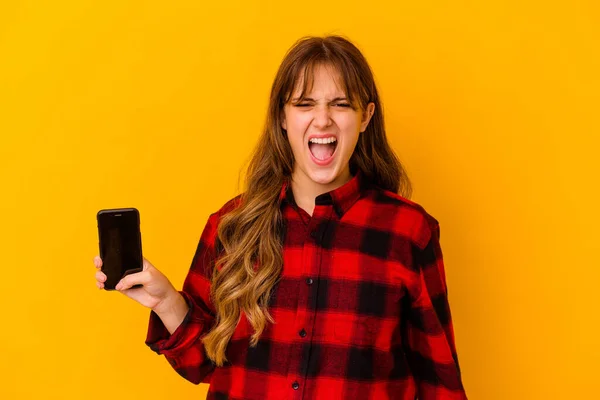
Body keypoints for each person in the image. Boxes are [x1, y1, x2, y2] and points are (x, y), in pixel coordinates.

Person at [93, 35, 467, 400]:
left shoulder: (408, 232)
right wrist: (165, 302)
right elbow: (203, 364)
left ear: (366, 117)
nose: (323, 121)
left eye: (340, 104)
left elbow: (439, 383)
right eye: (305, 104)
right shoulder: (231, 225)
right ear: (283, 118)